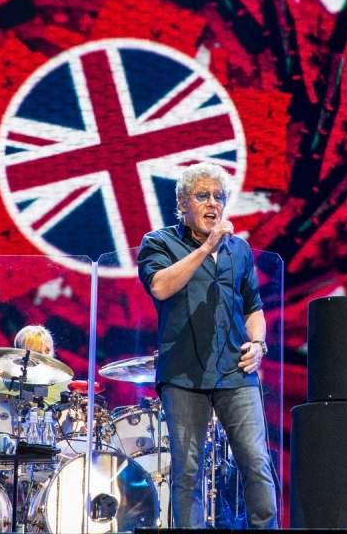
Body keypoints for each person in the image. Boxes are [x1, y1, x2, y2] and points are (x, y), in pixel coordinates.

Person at [137, 162, 276, 528]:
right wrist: (207, 248)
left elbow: (254, 308)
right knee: (187, 470)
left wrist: (258, 343)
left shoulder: (240, 250)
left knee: (257, 462)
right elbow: (161, 287)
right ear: (182, 203)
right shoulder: (158, 242)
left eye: (219, 197)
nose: (212, 204)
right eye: (203, 196)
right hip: (183, 374)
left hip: (236, 371)